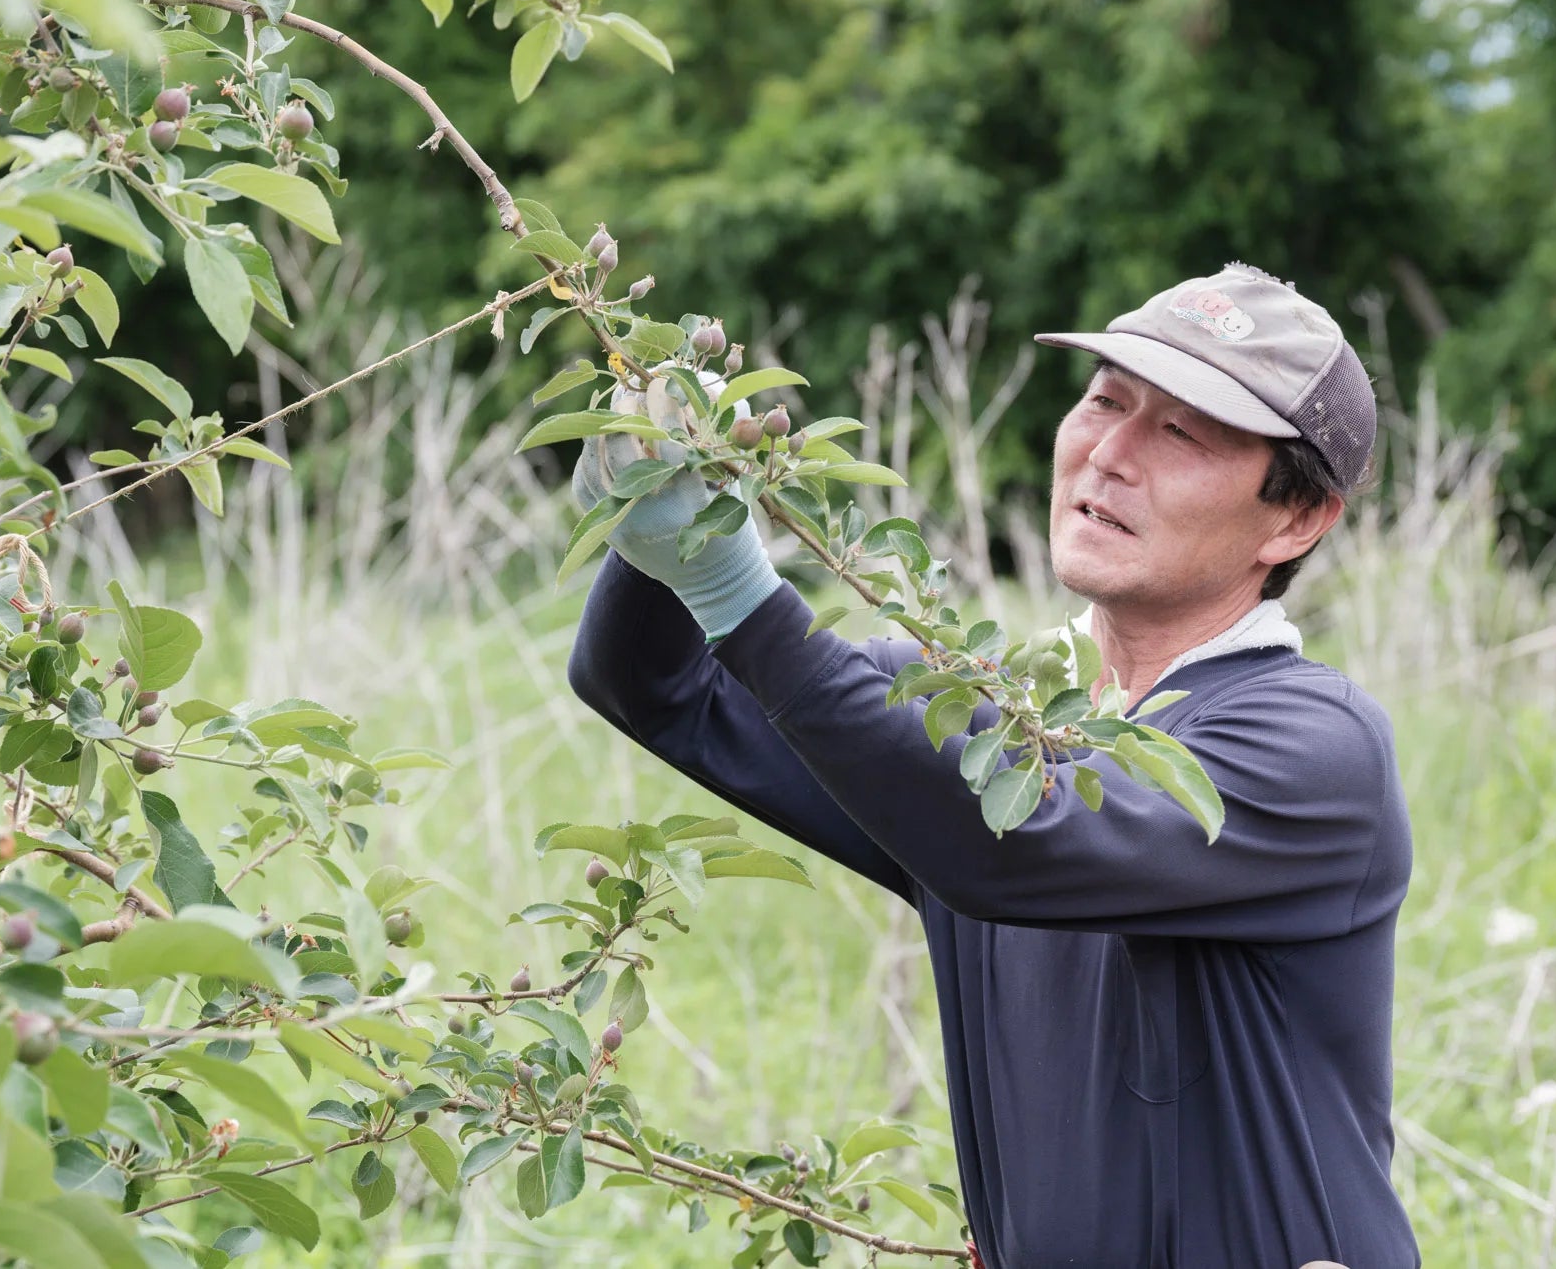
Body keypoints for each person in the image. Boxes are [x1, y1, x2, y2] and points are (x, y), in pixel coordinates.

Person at [565, 263, 1420, 1268]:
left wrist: (735, 586)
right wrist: (659, 506)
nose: (1108, 452)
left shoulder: (1309, 747)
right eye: (1104, 400)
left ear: (1295, 518)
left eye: (1180, 432)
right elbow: (657, 689)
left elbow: (1017, 840)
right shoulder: (987, 711)